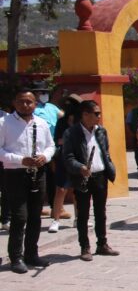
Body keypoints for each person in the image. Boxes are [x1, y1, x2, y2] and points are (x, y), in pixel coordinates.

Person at [0, 87, 56, 273]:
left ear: (35, 103)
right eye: (21, 101)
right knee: (19, 216)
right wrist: (19, 160)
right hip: (15, 174)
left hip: (38, 173)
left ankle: (32, 254)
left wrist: (45, 157)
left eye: (29, 101)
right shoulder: (4, 123)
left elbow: (51, 146)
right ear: (14, 103)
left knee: (35, 216)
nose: (25, 105)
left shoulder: (41, 123)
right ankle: (16, 257)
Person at [63, 100, 120, 261]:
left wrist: (109, 167)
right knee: (83, 214)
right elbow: (68, 157)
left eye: (99, 113)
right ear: (85, 115)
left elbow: (105, 152)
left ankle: (102, 244)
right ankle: (84, 247)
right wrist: (80, 167)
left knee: (101, 212)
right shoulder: (72, 133)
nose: (99, 116)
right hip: (82, 177)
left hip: (100, 176)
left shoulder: (101, 131)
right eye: (96, 113)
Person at [49, 94, 81, 233]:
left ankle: (79, 218)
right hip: (63, 158)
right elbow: (57, 140)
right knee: (61, 189)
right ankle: (55, 220)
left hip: (79, 159)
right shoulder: (61, 122)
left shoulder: (82, 122)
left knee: (78, 190)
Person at [31, 81, 63, 216]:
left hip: (54, 145)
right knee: (39, 177)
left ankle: (55, 208)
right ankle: (37, 206)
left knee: (54, 177)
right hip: (39, 147)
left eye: (46, 92)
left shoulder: (51, 107)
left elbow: (63, 116)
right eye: (41, 92)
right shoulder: (32, 108)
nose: (44, 95)